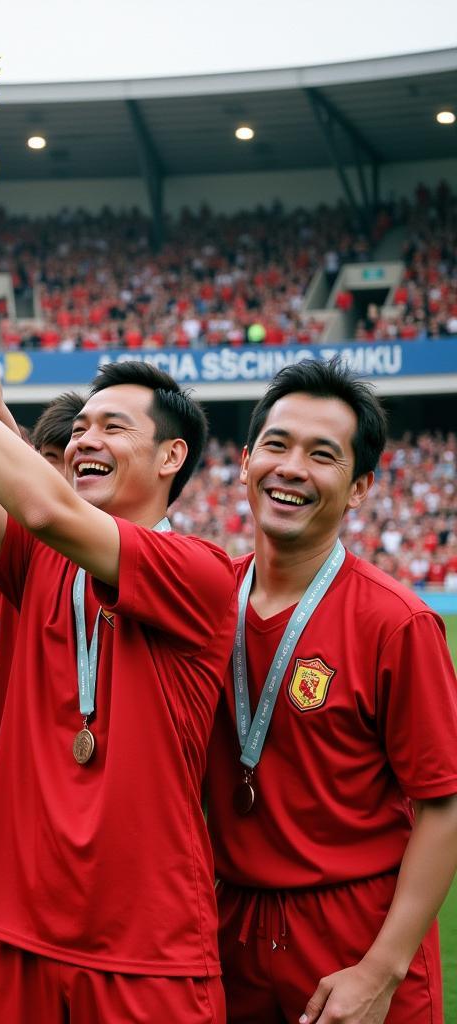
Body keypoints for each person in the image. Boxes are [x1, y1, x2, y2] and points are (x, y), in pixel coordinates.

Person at [0, 336, 236, 1020]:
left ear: (173, 457)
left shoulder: (200, 569)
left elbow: (47, 506)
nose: (85, 438)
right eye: (79, 427)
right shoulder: (40, 558)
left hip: (145, 942)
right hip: (21, 925)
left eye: (113, 427)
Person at [204, 359, 457, 1024]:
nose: (291, 468)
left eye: (322, 455)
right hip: (228, 927)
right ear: (247, 459)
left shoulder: (396, 621)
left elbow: (443, 807)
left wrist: (381, 970)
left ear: (359, 489)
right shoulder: (203, 599)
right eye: (276, 445)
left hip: (354, 931)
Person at [0, 390, 84, 1020]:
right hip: (0, 814)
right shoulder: (20, 556)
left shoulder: (149, 566)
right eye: (48, 457)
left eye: (74, 460)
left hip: (95, 835)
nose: (60, 474)